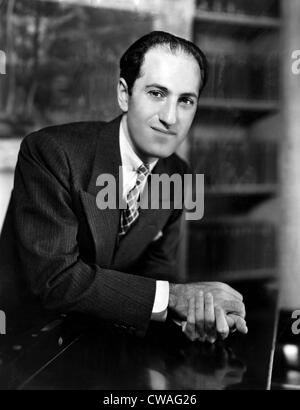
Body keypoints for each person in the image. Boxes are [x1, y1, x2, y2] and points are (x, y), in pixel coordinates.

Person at [11, 31, 247, 342]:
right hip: (25, 343)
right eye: (157, 93)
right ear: (125, 94)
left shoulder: (179, 174)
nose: (171, 117)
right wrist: (176, 298)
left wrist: (190, 316)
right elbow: (55, 281)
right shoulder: (51, 152)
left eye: (186, 100)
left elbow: (157, 274)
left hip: (105, 342)